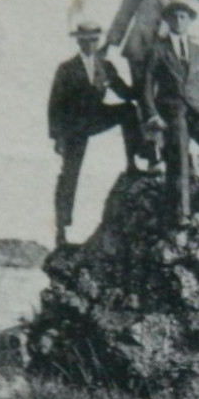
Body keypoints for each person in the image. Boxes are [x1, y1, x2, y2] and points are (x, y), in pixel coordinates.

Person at [46, 21, 141, 247]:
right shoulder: (66, 69)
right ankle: (61, 228)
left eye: (93, 40)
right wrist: (57, 137)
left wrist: (146, 81)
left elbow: (126, 93)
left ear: (98, 41)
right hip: (73, 126)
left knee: (129, 111)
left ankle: (133, 162)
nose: (90, 44)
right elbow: (54, 105)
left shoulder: (106, 66)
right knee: (70, 174)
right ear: (78, 41)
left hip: (97, 116)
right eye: (85, 40)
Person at [141, 0, 199, 223]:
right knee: (178, 153)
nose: (179, 21)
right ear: (167, 21)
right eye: (175, 17)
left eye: (183, 17)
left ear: (189, 21)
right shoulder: (157, 50)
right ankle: (181, 212)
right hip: (172, 112)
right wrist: (152, 114)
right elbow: (146, 86)